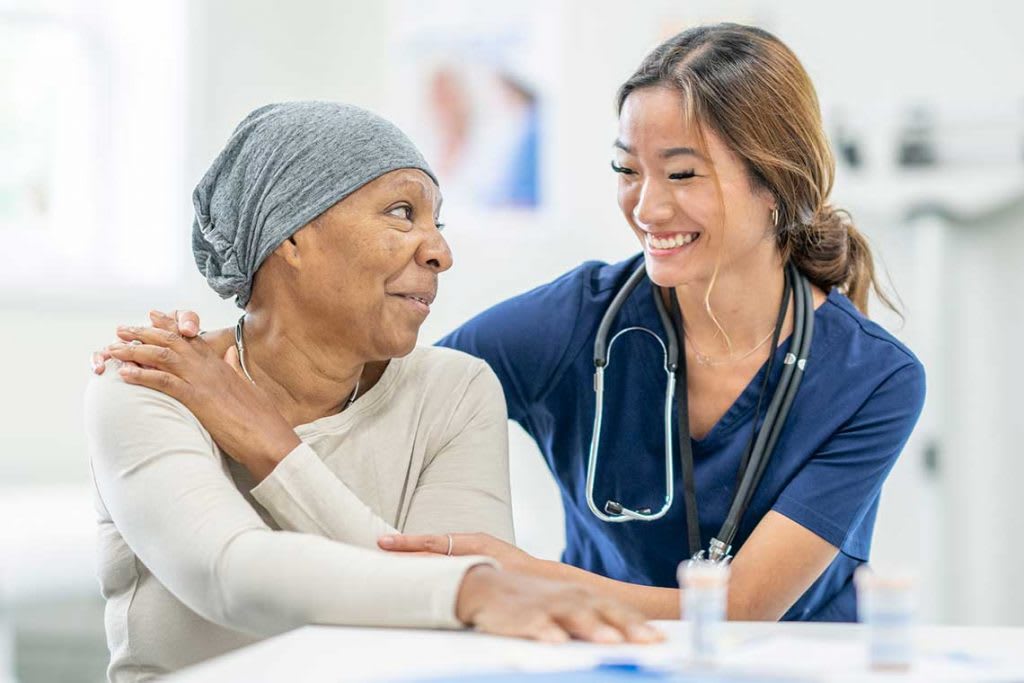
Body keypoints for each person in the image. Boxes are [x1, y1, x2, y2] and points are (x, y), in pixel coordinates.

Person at [95, 23, 926, 626]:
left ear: (774, 183)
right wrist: (225, 365)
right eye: (627, 171)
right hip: (605, 654)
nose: (647, 205)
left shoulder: (874, 377)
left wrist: (521, 575)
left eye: (682, 173)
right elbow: (391, 408)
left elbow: (746, 606)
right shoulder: (572, 325)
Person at [86, 102, 659, 682]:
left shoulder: (456, 391)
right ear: (289, 236)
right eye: (402, 212)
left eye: (438, 223)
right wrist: (473, 589)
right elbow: (226, 573)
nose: (440, 251)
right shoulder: (152, 381)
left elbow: (436, 616)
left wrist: (275, 448)